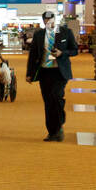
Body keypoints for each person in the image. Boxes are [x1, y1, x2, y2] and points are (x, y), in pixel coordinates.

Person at [26, 10, 79, 142]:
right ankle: (52, 132)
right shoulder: (39, 35)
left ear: (55, 19)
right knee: (48, 102)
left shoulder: (66, 32)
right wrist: (29, 73)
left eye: (50, 19)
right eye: (45, 19)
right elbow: (32, 55)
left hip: (59, 72)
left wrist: (62, 53)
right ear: (43, 20)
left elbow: (75, 50)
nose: (48, 21)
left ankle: (59, 124)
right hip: (45, 72)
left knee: (56, 97)